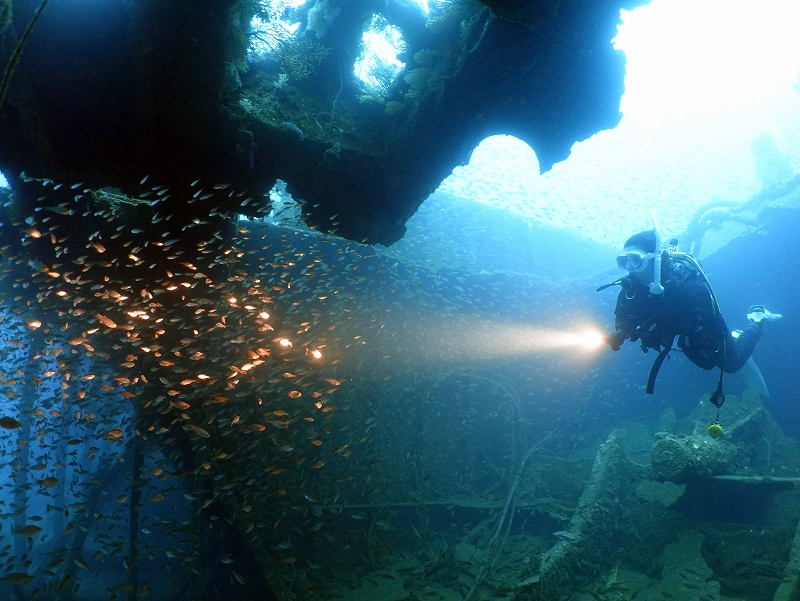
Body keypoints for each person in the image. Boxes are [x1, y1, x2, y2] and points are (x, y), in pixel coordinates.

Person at [599, 226, 781, 405]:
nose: (629, 269)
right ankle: (734, 339)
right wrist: (620, 332)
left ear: (654, 259)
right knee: (707, 365)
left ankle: (757, 320)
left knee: (731, 365)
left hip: (702, 331)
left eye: (635, 260)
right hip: (681, 336)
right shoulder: (631, 290)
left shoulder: (687, 290)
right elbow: (624, 313)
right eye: (623, 261)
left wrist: (713, 343)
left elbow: (714, 327)